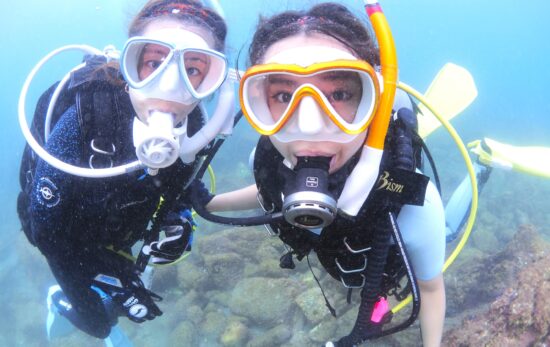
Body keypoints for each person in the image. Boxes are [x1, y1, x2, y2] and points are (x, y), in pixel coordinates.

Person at [198, 3, 447, 346]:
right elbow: (264, 189)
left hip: (389, 260)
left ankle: (482, 166)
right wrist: (209, 204)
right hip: (348, 259)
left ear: (374, 101)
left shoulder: (414, 203)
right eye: (284, 95)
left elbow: (431, 290)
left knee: (449, 231)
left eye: (340, 94)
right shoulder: (267, 158)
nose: (310, 126)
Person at [20, 0, 229, 342]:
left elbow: (183, 190)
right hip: (65, 235)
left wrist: (179, 220)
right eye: (154, 63)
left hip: (119, 228)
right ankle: (59, 301)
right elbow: (44, 227)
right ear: (131, 64)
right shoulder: (90, 114)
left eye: (192, 70)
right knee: (99, 323)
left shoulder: (196, 126)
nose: (170, 87)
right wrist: (99, 270)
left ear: (212, 80)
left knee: (129, 296)